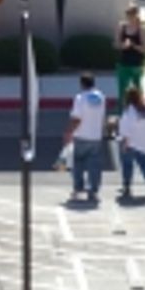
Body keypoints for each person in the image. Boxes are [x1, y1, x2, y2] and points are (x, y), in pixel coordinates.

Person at [64, 73, 109, 205]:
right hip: (95, 135)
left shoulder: (80, 98)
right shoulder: (101, 97)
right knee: (94, 165)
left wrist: (69, 131)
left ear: (82, 84)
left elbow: (77, 118)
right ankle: (93, 190)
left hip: (81, 135)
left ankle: (78, 187)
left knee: (78, 163)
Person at [116, 86, 145, 202]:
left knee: (127, 165)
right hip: (144, 142)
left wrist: (124, 143)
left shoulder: (129, 111)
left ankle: (127, 186)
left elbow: (126, 129)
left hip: (131, 143)